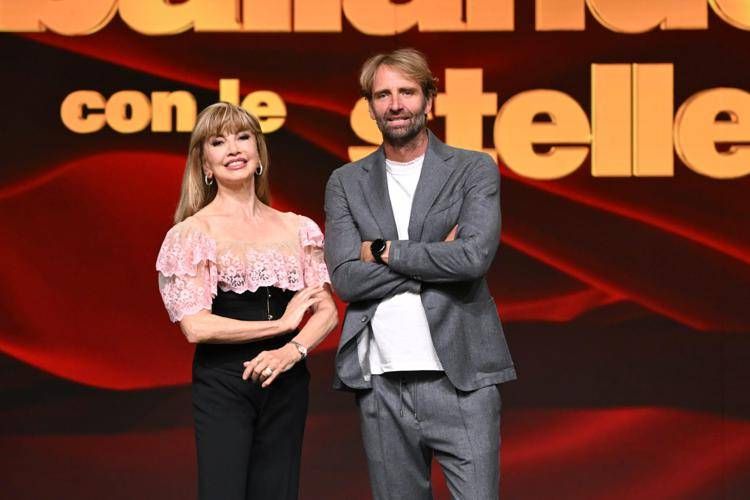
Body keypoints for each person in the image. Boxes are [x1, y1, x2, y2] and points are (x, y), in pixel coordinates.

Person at [324, 48, 516, 499]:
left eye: (407, 92)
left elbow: (472, 259)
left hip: (462, 379)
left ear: (429, 98)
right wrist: (434, 258)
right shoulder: (345, 182)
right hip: (381, 383)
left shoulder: (472, 169)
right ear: (370, 106)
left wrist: (381, 251)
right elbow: (347, 279)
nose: (395, 104)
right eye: (383, 95)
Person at [156, 102, 337, 500]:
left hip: (287, 380)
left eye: (242, 137)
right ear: (205, 164)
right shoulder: (193, 234)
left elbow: (326, 310)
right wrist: (280, 325)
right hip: (224, 382)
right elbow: (195, 326)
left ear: (258, 152)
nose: (233, 149)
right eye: (218, 142)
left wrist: (292, 350)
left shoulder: (297, 227)